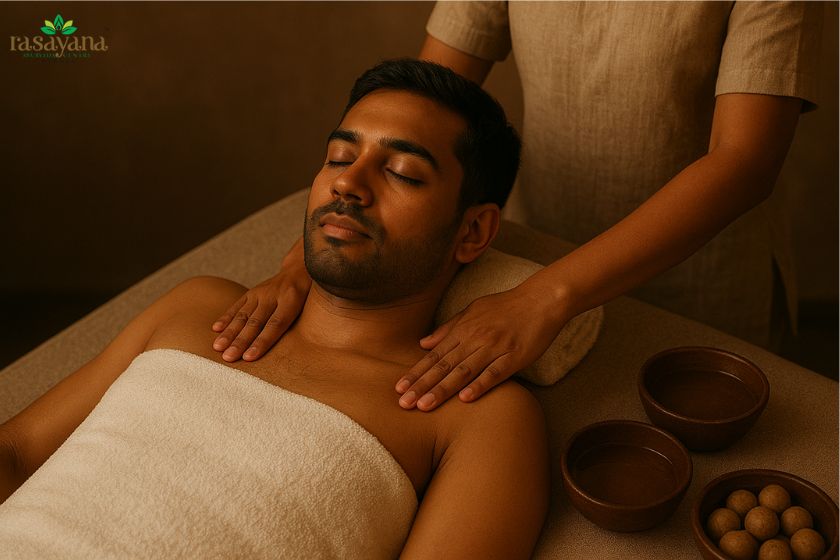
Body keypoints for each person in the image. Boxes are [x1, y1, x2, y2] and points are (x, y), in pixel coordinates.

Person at [0, 59, 549, 559]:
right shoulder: (198, 307)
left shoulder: (469, 413)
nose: (347, 183)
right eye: (339, 157)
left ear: (473, 231)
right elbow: (17, 452)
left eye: (402, 171)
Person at [211, 1, 822, 413]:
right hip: (535, 245)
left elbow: (744, 161)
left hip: (698, 271)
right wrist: (312, 253)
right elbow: (414, 107)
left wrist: (544, 297)